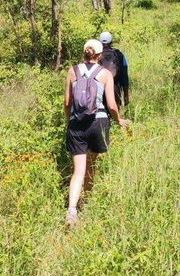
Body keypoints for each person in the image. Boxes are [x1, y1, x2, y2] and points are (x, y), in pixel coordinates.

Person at [64, 39, 130, 227]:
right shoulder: (105, 74)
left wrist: (70, 121)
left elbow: (67, 103)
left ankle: (72, 211)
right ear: (100, 55)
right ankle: (88, 201)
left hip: (77, 124)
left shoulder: (72, 71)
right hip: (98, 123)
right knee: (92, 166)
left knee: (78, 171)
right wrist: (118, 120)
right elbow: (111, 105)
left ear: (84, 53)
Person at [98, 31, 130, 107]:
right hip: (115, 88)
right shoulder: (119, 55)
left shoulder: (95, 54)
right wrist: (126, 95)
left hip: (99, 90)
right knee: (114, 114)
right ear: (111, 41)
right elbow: (124, 76)